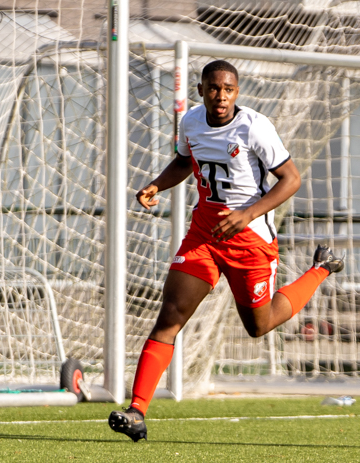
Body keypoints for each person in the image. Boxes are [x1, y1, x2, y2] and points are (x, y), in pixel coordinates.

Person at [108, 60, 344, 441]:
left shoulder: (254, 126)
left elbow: (291, 179)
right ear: (201, 90)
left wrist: (246, 214)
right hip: (204, 235)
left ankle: (319, 269)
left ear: (238, 92)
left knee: (259, 325)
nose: (221, 96)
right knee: (170, 315)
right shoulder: (191, 122)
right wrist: (157, 184)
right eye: (214, 88)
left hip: (250, 242)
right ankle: (137, 410)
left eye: (229, 89)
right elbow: (186, 160)